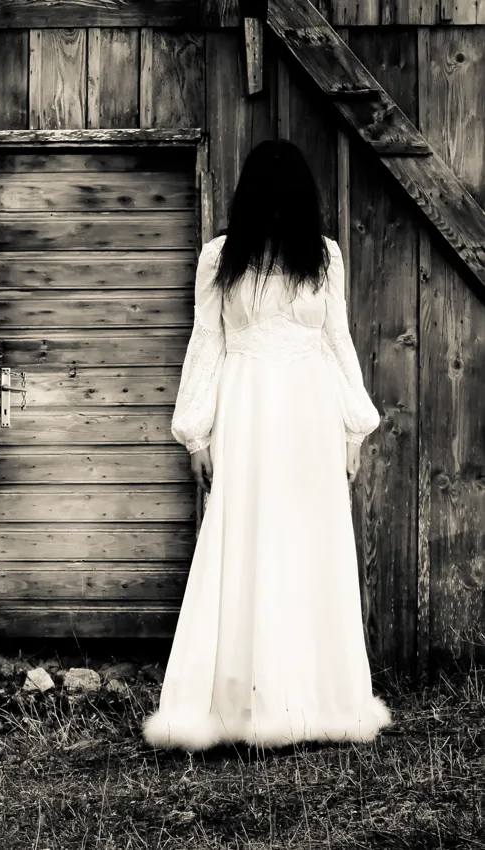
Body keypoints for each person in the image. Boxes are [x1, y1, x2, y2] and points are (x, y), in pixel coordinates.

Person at [142, 139, 392, 751]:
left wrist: (353, 427)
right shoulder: (219, 259)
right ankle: (240, 702)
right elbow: (208, 343)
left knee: (309, 544)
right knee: (244, 539)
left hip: (310, 415)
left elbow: (337, 342)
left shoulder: (324, 259)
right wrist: (196, 432)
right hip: (247, 413)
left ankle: (316, 701)